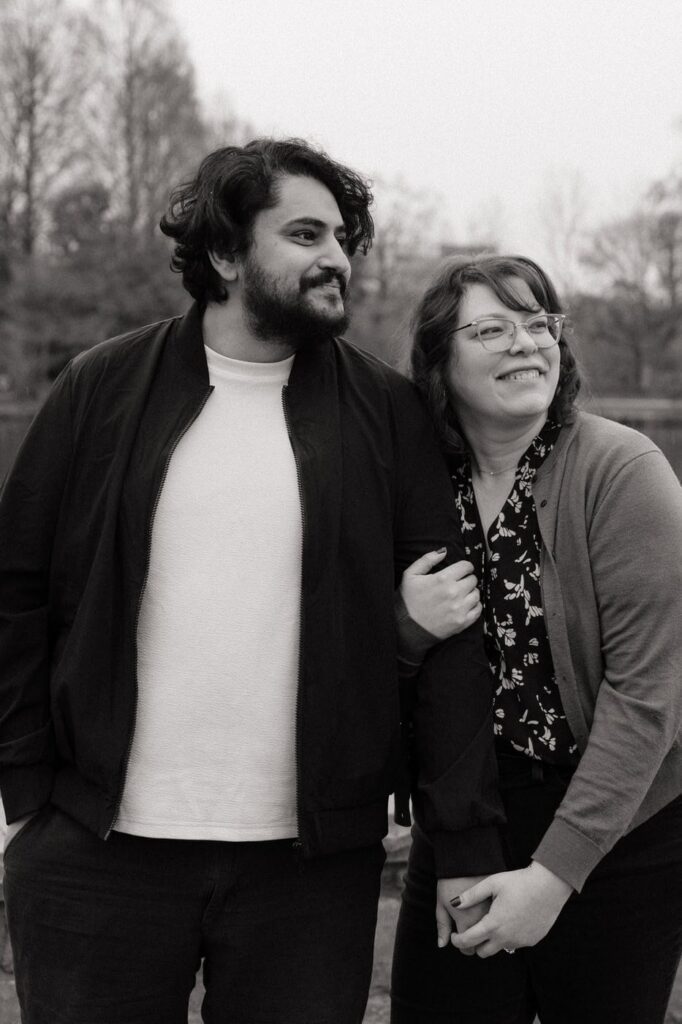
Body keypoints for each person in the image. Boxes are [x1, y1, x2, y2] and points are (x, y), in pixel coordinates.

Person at [0, 139, 505, 1024]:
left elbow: (455, 634)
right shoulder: (99, 389)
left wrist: (464, 840)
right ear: (227, 254)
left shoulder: (387, 413)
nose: (336, 259)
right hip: (95, 849)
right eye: (305, 234)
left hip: (311, 869)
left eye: (343, 238)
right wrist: (25, 792)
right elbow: (17, 589)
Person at [390, 254, 682, 1024]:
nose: (527, 343)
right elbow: (362, 672)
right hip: (465, 820)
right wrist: (406, 633)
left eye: (538, 323)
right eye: (492, 328)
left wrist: (554, 877)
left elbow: (648, 699)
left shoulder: (623, 471)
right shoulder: (419, 483)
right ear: (438, 360)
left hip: (620, 826)